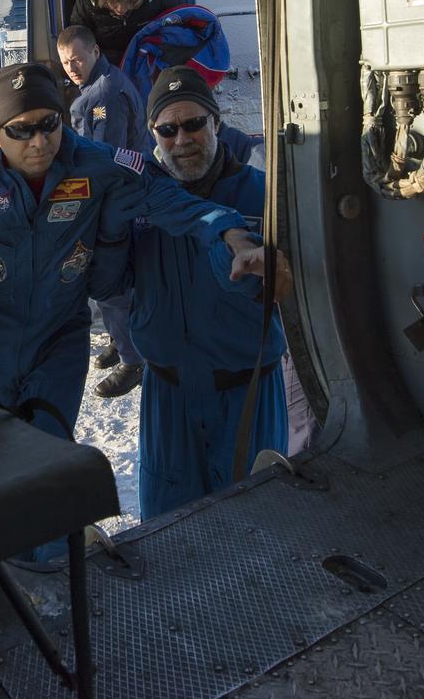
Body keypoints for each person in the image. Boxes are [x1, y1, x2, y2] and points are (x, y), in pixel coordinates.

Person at [0, 63, 264, 457]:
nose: (39, 141)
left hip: (59, 343)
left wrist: (231, 232)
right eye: (21, 130)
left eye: (49, 124)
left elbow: (167, 199)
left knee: (44, 455)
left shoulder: (98, 164)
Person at [93, 65, 293, 521]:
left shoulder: (262, 196)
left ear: (216, 123)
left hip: (247, 396)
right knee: (170, 533)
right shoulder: (140, 202)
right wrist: (106, 232)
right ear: (153, 135)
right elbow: (108, 285)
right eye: (168, 129)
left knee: (260, 529)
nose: (182, 139)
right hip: (169, 399)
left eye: (194, 124)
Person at [56, 24, 148, 398]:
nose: (71, 67)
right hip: (112, 196)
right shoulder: (95, 87)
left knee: (111, 284)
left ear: (94, 51)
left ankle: (133, 360)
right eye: (65, 62)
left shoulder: (104, 93)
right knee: (108, 283)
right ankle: (117, 339)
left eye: (77, 58)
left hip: (116, 200)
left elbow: (104, 161)